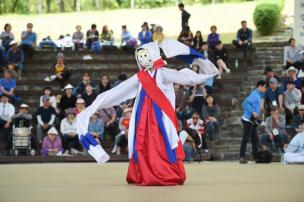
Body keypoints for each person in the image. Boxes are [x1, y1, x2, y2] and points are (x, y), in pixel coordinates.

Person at [76, 39, 219, 185]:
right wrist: (94, 106)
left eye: (146, 56)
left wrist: (203, 75)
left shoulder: (163, 73)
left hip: (159, 115)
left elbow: (184, 77)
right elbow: (117, 91)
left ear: (154, 55)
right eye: (141, 57)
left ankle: (163, 171)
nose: (144, 60)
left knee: (160, 141)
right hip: (142, 116)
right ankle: (143, 173)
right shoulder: (140, 77)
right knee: (142, 142)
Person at [239, 80, 266, 164]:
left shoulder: (259, 94)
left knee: (255, 139)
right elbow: (245, 103)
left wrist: (260, 107)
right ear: (260, 86)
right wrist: (253, 111)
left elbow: (259, 99)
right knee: (246, 139)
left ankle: (256, 157)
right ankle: (241, 157)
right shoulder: (255, 94)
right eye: (264, 87)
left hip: (252, 121)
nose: (265, 89)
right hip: (247, 120)